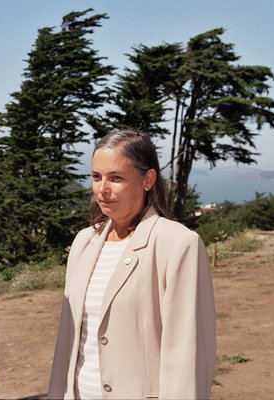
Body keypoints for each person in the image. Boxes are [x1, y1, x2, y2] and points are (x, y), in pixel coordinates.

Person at [47, 130, 216, 399]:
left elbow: (187, 355)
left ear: (148, 179)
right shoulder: (83, 243)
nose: (102, 189)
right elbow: (68, 341)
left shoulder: (178, 244)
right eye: (96, 177)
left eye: (116, 178)